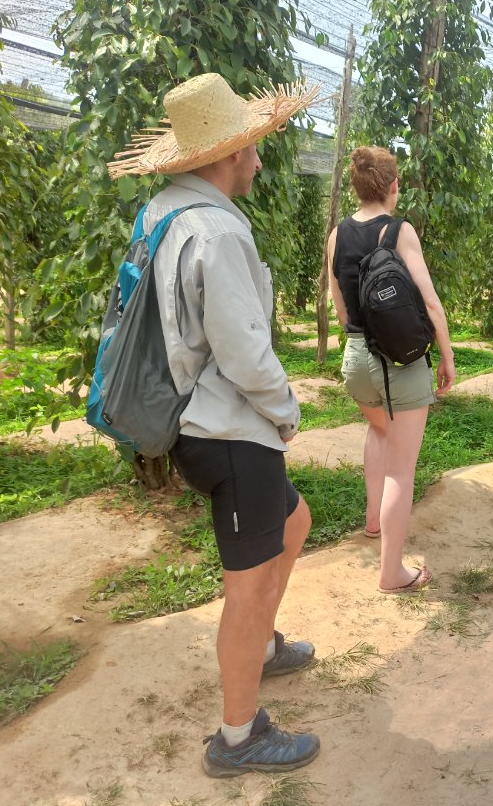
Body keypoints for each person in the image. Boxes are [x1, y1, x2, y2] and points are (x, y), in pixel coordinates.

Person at [108, 72, 321, 777]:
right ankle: (238, 738)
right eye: (254, 149)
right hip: (228, 433)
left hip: (195, 420)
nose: (259, 160)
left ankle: (261, 648)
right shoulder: (220, 230)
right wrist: (285, 411)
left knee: (294, 522)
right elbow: (242, 350)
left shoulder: (162, 211)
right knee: (247, 587)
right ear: (229, 156)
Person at [327, 146, 454, 596]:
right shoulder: (399, 231)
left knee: (380, 432)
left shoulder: (337, 234)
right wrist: (447, 354)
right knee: (403, 468)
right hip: (399, 363)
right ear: (393, 186)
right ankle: (392, 573)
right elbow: (430, 299)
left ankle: (371, 519)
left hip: (357, 359)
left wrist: (358, 338)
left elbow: (338, 303)